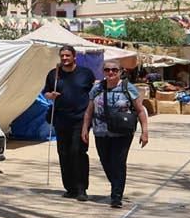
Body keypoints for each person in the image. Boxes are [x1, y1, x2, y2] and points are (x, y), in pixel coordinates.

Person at [81, 61, 150, 208]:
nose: (110, 73)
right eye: (107, 70)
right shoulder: (97, 88)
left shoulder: (127, 88)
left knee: (118, 162)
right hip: (101, 131)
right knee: (105, 162)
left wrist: (145, 132)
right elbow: (89, 111)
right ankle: (117, 184)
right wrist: (85, 129)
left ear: (120, 71)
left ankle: (116, 195)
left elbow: (140, 110)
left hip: (122, 132)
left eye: (114, 70)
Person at [42, 46, 98, 201]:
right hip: (61, 119)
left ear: (74, 57)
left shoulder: (85, 74)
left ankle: (81, 189)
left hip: (81, 119)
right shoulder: (54, 74)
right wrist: (50, 95)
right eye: (62, 56)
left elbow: (94, 93)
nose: (64, 58)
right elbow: (45, 92)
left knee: (78, 152)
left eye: (67, 55)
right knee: (64, 153)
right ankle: (70, 188)